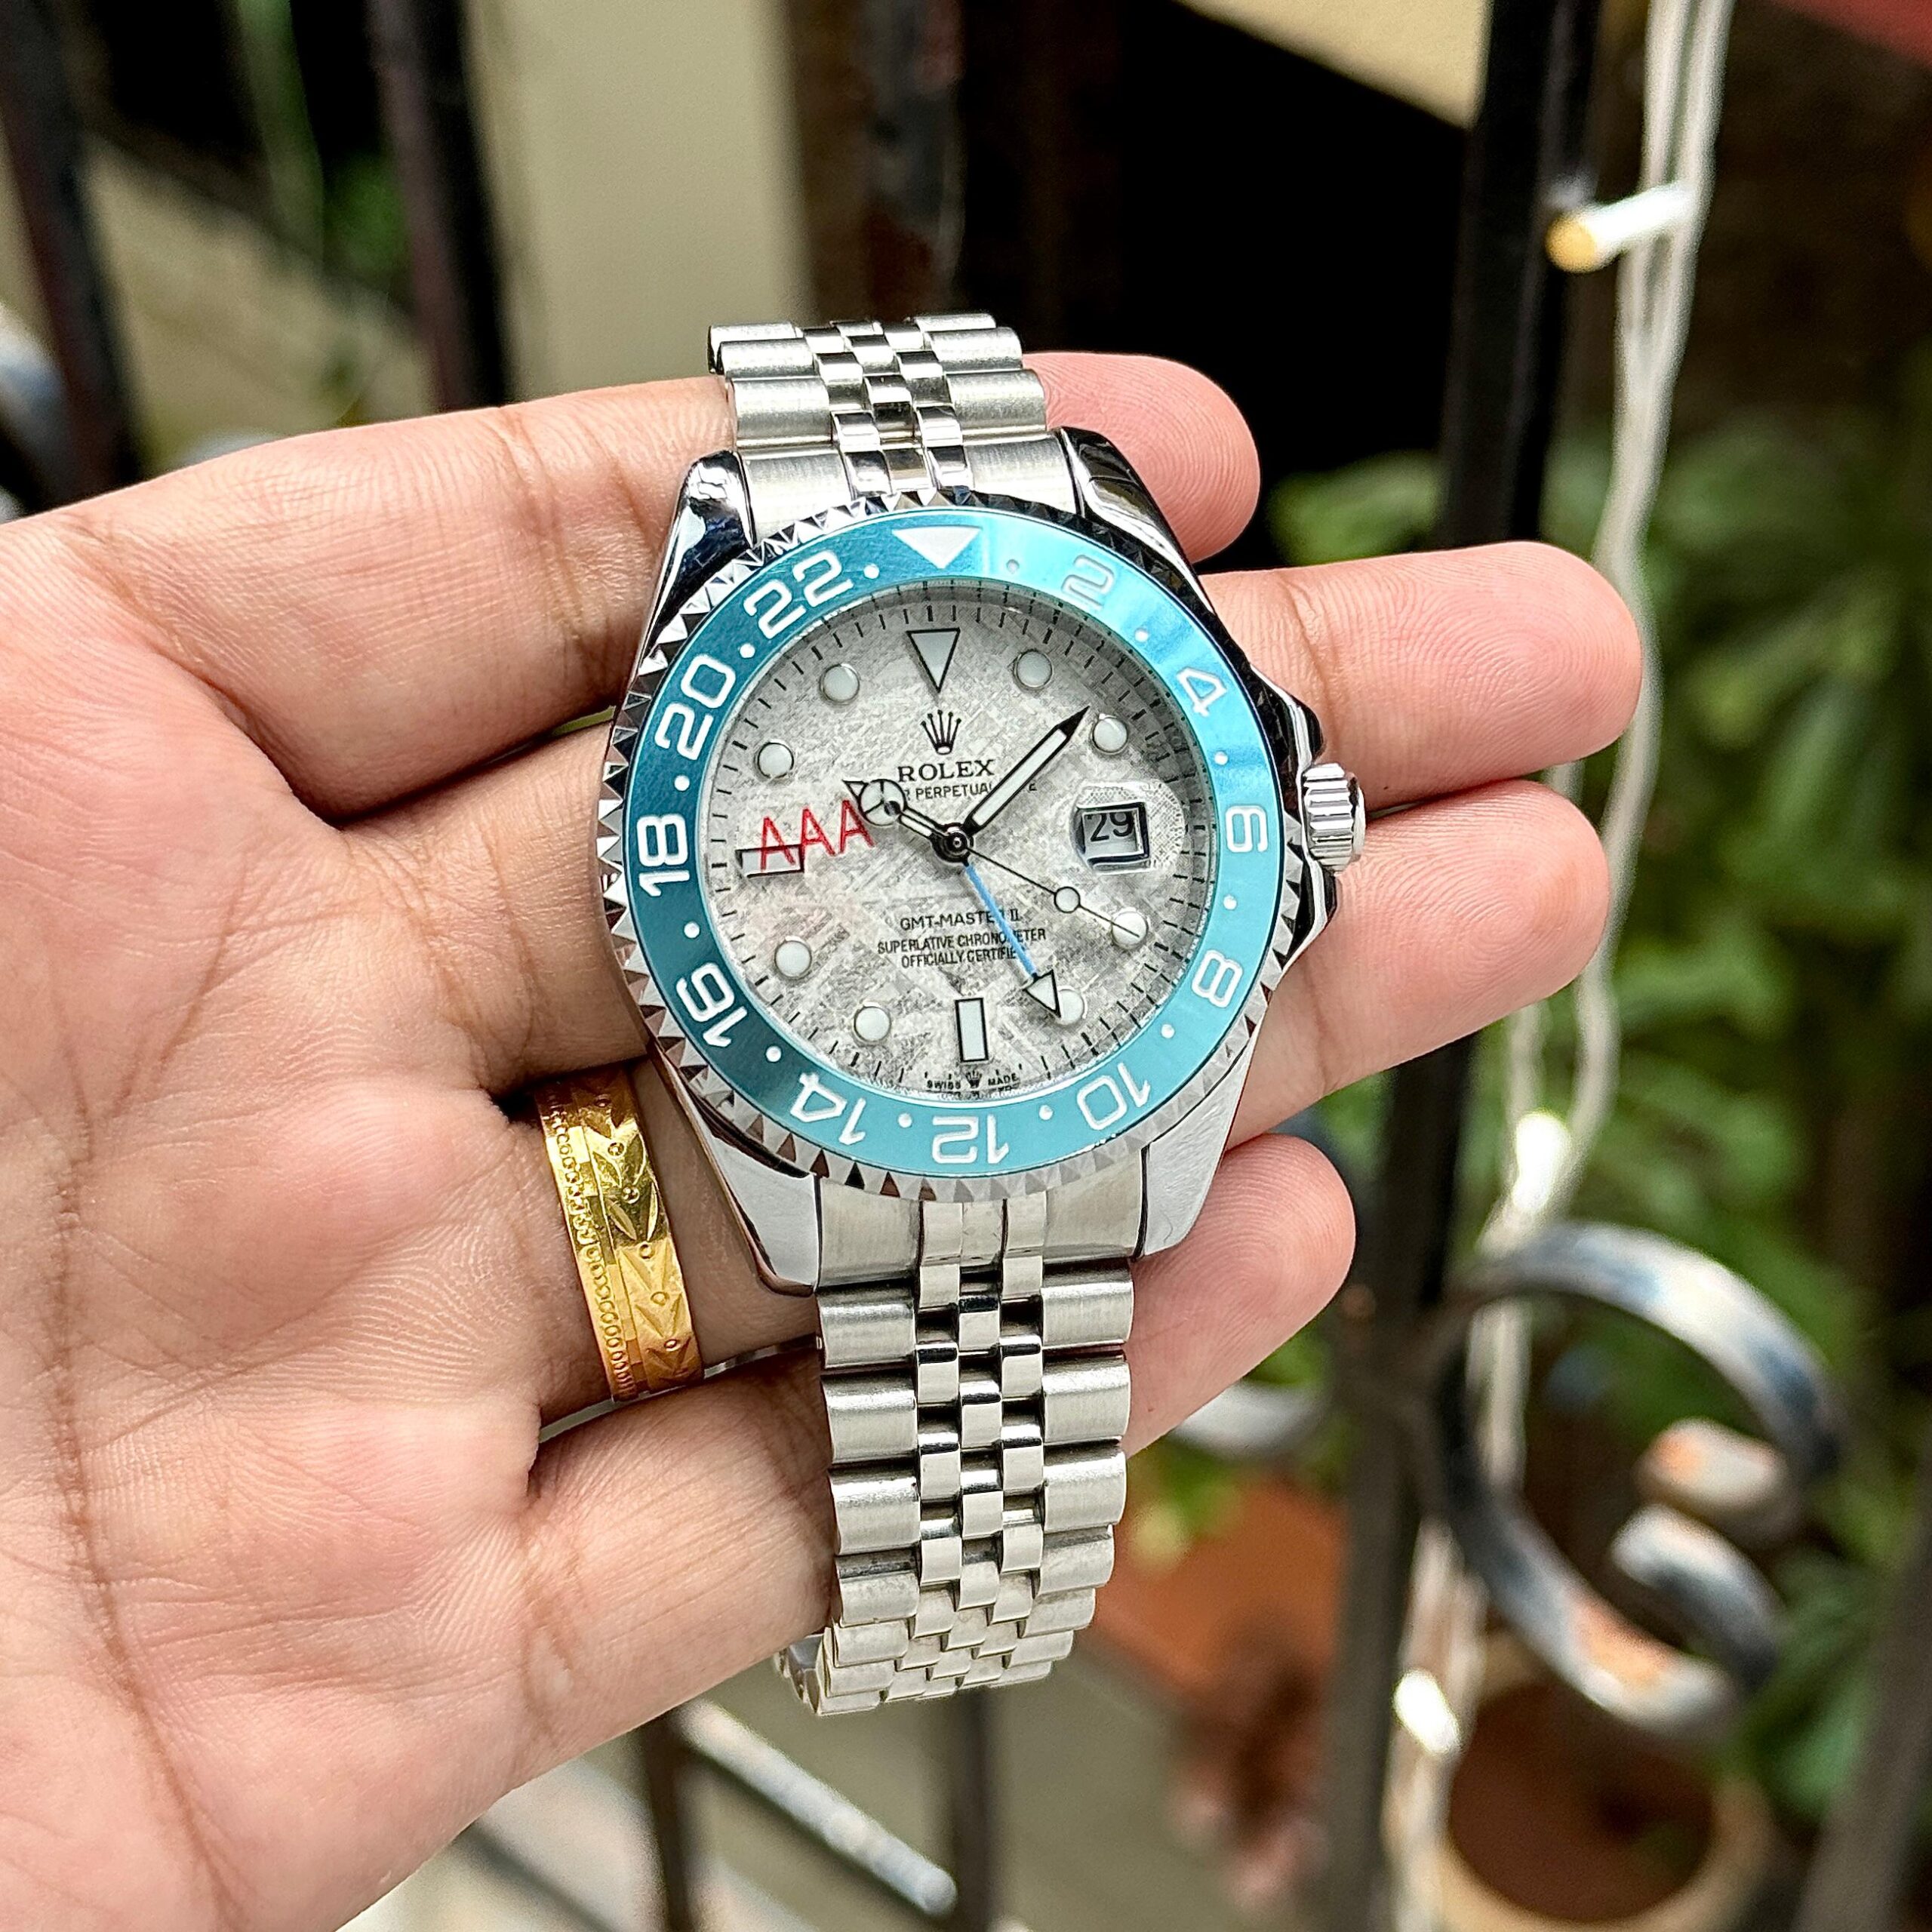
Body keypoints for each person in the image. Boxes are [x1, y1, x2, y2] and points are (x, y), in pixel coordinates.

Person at [0, 352, 1636, 1930]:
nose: (950, 839)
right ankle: (936, 1590)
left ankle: (941, 1588)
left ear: (1292, 833)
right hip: (843, 1115)